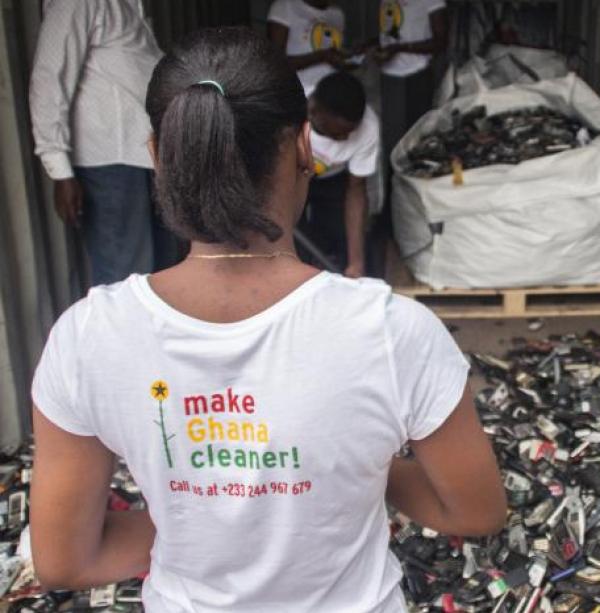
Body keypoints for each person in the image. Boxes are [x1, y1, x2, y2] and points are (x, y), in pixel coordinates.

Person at [29, 27, 506, 612]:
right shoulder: (392, 331)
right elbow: (476, 510)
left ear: (157, 155)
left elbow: (65, 560)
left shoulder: (86, 337)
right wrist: (357, 472)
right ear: (305, 147)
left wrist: (203, 534)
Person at [29, 0, 165, 286]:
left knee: (159, 276)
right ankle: (123, 332)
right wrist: (59, 168)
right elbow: (50, 77)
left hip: (144, 155)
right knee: (124, 280)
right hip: (110, 162)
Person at [373, 0, 448, 238]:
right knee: (389, 150)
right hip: (389, 77)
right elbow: (388, 36)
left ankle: (411, 215)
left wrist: (402, 48)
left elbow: (440, 41)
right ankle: (391, 217)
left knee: (413, 149)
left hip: (414, 77)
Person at [299, 72, 379, 278]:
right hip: (289, 178)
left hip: (334, 181)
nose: (345, 139)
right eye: (336, 133)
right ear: (313, 111)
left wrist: (356, 264)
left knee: (347, 243)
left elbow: (356, 191)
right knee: (294, 246)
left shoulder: (369, 128)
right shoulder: (287, 111)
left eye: (350, 132)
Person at [267, 0, 347, 95]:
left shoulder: (337, 14)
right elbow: (275, 64)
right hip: (299, 93)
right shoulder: (285, 6)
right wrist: (321, 57)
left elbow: (335, 57)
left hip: (331, 93)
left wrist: (353, 58)